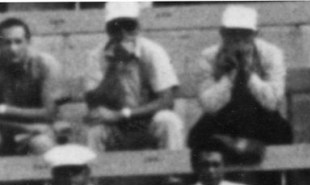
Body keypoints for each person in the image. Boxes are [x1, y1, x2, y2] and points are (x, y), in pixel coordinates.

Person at [186, 5, 293, 161]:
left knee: (283, 131)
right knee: (197, 136)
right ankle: (244, 147)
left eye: (245, 33)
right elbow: (208, 105)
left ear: (255, 34)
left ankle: (235, 146)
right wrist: (229, 76)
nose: (238, 39)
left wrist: (249, 73)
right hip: (223, 117)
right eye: (232, 33)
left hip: (261, 117)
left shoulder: (271, 54)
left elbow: (273, 102)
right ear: (222, 33)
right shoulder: (209, 57)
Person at [78, 1, 182, 153]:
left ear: (138, 27)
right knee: (93, 130)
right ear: (108, 30)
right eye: (115, 27)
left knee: (168, 121)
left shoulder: (153, 52)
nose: (123, 33)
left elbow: (166, 101)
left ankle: (173, 174)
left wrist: (122, 114)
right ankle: (94, 176)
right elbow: (92, 102)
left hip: (147, 120)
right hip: (113, 125)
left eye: (129, 25)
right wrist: (115, 66)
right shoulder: (96, 56)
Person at [0, 15, 64, 160]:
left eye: (18, 42)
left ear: (28, 42)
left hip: (42, 130)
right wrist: (25, 127)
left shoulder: (45, 64)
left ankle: (48, 183)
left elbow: (49, 113)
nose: (13, 48)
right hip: (7, 128)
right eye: (6, 43)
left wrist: (5, 109)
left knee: (41, 143)